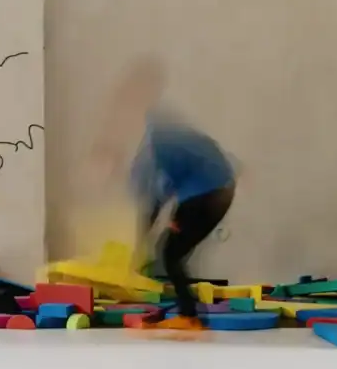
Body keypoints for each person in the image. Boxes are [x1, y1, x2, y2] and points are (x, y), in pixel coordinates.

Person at [99, 59, 236, 327]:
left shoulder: (158, 133)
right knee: (171, 250)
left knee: (171, 254)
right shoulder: (157, 132)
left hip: (208, 193)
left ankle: (189, 317)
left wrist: (142, 242)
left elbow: (155, 196)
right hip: (214, 189)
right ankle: (185, 309)